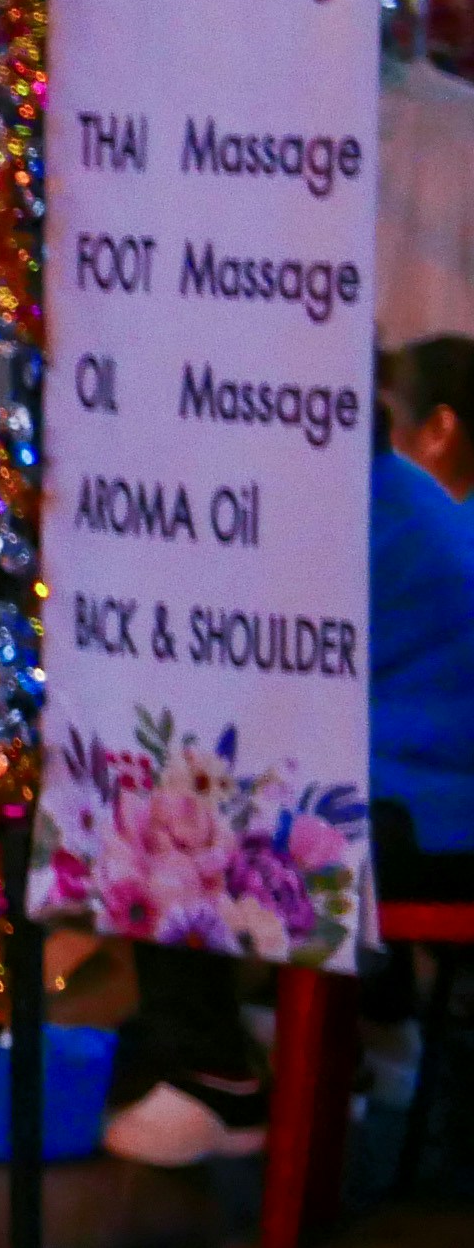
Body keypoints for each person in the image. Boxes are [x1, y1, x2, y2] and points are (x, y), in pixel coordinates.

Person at [107, 340, 474, 1161]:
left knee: (166, 796)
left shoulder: (328, 510)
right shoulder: (397, 490)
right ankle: (374, 1033)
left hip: (433, 825)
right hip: (439, 802)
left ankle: (213, 1079)